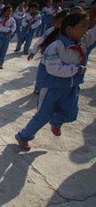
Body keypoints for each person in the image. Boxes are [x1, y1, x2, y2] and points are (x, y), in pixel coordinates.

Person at [15, 13, 96, 151]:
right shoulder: (56, 46)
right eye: (82, 27)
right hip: (52, 88)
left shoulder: (82, 44)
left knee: (71, 115)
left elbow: (93, 34)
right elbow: (54, 69)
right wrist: (75, 69)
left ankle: (56, 121)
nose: (85, 31)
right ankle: (24, 136)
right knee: (41, 116)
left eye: (87, 27)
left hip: (71, 88)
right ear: (69, 29)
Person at [28, 10, 69, 94]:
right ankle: (38, 88)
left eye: (59, 21)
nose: (56, 24)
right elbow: (41, 41)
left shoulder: (68, 34)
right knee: (42, 74)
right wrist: (33, 52)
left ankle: (48, 89)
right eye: (55, 22)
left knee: (52, 75)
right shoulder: (51, 31)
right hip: (46, 58)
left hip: (59, 60)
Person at [0, 5, 16, 69]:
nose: (10, 12)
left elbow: (14, 26)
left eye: (11, 11)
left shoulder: (12, 19)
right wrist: (8, 30)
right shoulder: (0, 19)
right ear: (4, 12)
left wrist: (11, 31)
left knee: (4, 51)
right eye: (8, 11)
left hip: (7, 37)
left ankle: (0, 63)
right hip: (1, 37)